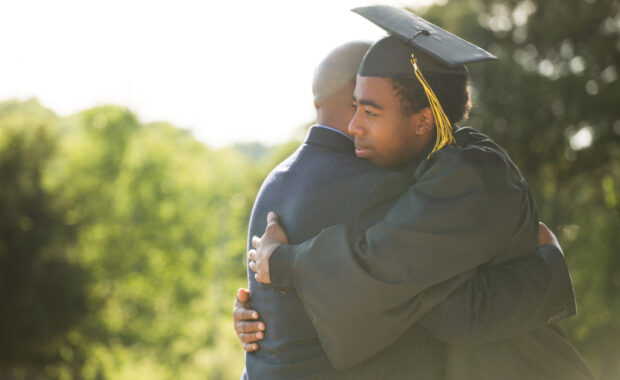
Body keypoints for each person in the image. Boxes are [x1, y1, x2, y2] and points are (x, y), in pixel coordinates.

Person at [246, 6, 594, 380]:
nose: (354, 125)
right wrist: (267, 314)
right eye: (355, 107)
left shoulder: (471, 174)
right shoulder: (424, 169)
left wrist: (283, 264)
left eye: (370, 111)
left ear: (423, 119)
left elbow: (449, 307)